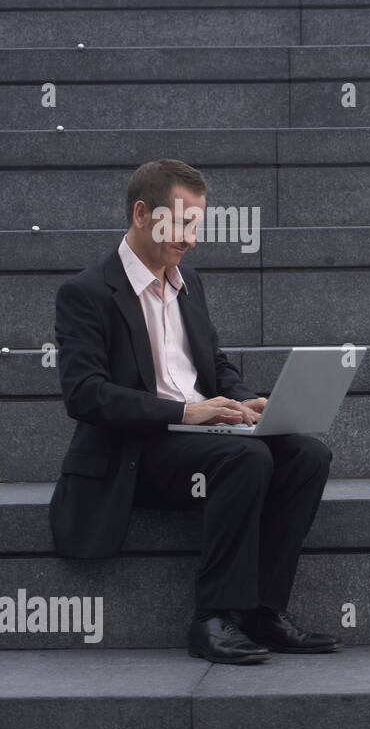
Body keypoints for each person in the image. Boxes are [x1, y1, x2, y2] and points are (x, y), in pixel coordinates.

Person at [49, 158, 341, 664]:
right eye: (180, 223)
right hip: (135, 452)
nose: (190, 238)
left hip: (200, 438)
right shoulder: (86, 293)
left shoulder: (189, 284)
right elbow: (86, 395)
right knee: (247, 461)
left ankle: (264, 614)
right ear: (142, 214)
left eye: (196, 225)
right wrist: (186, 412)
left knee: (308, 456)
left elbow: (213, 363)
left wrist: (242, 401)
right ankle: (214, 619)